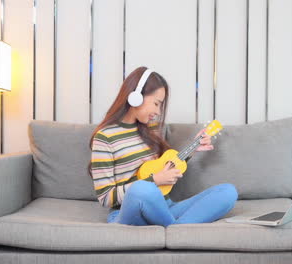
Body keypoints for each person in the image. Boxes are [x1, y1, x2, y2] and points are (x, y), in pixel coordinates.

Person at [89, 66, 237, 227]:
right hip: (130, 212)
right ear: (136, 97)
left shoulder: (150, 129)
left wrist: (193, 148)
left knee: (227, 192)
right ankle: (177, 230)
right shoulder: (105, 137)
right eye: (156, 103)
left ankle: (175, 229)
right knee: (142, 189)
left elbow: (163, 166)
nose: (159, 111)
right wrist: (154, 180)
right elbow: (105, 197)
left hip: (165, 207)